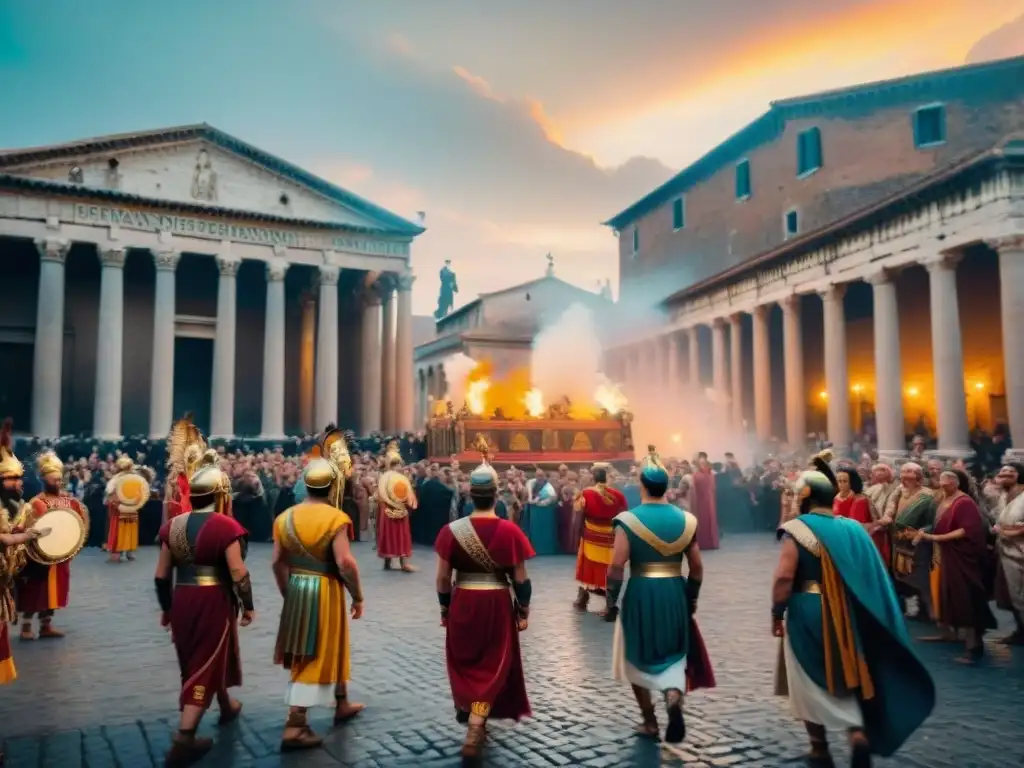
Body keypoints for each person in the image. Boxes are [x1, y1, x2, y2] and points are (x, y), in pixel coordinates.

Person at [772, 452, 935, 766]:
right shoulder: (855, 529)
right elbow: (871, 572)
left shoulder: (798, 530)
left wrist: (776, 613)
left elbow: (783, 578)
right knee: (850, 668)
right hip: (849, 610)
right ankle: (857, 734)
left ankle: (819, 748)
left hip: (808, 608)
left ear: (805, 497)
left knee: (807, 675)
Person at [608, 446, 715, 744]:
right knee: (673, 654)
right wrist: (690, 598)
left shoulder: (627, 521)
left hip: (641, 590)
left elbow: (616, 565)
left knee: (634, 653)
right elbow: (696, 567)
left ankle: (649, 721)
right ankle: (672, 695)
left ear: (642, 486)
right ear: (666, 487)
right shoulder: (687, 520)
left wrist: (610, 602)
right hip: (674, 592)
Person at [155, 450, 253, 766]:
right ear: (219, 495)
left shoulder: (172, 526)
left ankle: (225, 705)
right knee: (205, 659)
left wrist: (167, 608)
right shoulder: (226, 527)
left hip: (182, 597)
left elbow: (161, 575)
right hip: (213, 600)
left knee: (199, 655)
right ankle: (185, 737)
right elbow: (238, 571)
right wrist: (248, 604)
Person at [434, 461, 534, 762]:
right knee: (492, 661)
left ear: (470, 494)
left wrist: (445, 607)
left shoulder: (451, 531)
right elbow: (521, 578)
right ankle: (476, 727)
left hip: (463, 599)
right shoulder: (510, 531)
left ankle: (469, 707)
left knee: (467, 660)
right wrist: (523, 609)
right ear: (496, 495)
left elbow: (441, 578)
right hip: (496, 603)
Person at [273, 458, 365, 750]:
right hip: (325, 589)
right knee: (315, 651)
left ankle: (342, 701)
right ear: (332, 487)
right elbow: (345, 562)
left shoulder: (284, 518)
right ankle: (296, 724)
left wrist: (288, 591)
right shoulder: (336, 518)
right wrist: (358, 594)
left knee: (326, 645)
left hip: (298, 586)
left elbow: (277, 563)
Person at [914, 469, 997, 662]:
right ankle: (951, 634)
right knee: (951, 596)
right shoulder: (944, 500)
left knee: (966, 597)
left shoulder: (964, 502)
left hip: (962, 557)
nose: (942, 484)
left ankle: (974, 647)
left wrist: (935, 537)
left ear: (956, 483)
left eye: (946, 481)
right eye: (941, 481)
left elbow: (965, 530)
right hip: (946, 555)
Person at [16, 451, 87, 640]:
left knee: (55, 591)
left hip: (61, 555)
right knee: (36, 591)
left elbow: (77, 524)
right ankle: (26, 627)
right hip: (40, 557)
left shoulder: (69, 501)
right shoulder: (37, 502)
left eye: (59, 479)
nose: (57, 483)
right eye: (53, 480)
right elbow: (28, 527)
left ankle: (46, 625)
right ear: (45, 480)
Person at [0, 419, 45, 684]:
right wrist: (26, 535)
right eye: (11, 479)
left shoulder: (19, 504)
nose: (18, 482)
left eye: (18, 478)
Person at [879, 462, 936, 619]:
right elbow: (890, 510)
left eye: (909, 474)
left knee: (923, 581)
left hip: (919, 544)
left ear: (918, 477)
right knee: (903, 578)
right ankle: (917, 609)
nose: (905, 478)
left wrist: (921, 532)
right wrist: (886, 518)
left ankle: (933, 613)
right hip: (898, 543)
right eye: (903, 474)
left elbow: (934, 521)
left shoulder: (928, 495)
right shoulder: (898, 492)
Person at [572, 462, 627, 617]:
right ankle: (608, 603)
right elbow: (624, 516)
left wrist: (577, 535)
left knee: (586, 567)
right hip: (611, 538)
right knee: (609, 569)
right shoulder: (618, 495)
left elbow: (578, 519)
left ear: (593, 478)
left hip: (590, 537)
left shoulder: (584, 494)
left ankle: (582, 599)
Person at [993, 462, 1024, 644]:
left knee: (1021, 593)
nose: (1005, 474)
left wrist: (1005, 531)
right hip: (1006, 551)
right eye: (1002, 471)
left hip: (1020, 551)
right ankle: (1020, 630)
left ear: (1019, 475)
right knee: (1012, 594)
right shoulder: (1004, 496)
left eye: (1010, 472)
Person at [375, 443, 418, 571]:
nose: (399, 467)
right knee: (397, 535)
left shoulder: (384, 478)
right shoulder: (400, 479)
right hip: (395, 509)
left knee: (392, 534)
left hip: (390, 509)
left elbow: (378, 496)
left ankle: (391, 562)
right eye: (397, 465)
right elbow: (408, 496)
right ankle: (401, 563)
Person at [104, 456, 151, 562]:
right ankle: (124, 551)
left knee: (123, 529)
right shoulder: (131, 478)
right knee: (128, 529)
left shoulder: (117, 479)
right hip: (126, 507)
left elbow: (110, 495)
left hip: (123, 507)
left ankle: (121, 551)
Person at [690, 451, 720, 550]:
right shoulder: (698, 475)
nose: (703, 465)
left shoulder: (709, 474)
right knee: (703, 520)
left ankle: (710, 542)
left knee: (709, 520)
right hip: (701, 500)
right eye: (701, 463)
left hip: (707, 500)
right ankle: (705, 542)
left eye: (704, 463)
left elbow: (712, 487)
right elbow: (694, 488)